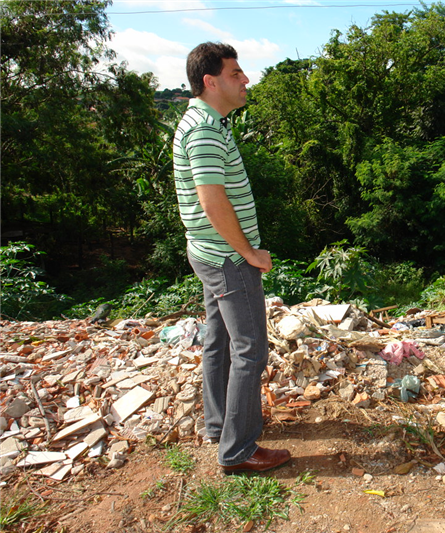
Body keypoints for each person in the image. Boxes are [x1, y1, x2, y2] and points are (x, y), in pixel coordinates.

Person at [173, 42, 291, 474]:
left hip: (208, 251)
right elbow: (212, 200)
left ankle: (219, 425)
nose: (246, 80)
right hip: (226, 257)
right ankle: (238, 450)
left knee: (219, 342)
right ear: (211, 81)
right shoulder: (203, 129)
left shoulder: (207, 122)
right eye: (236, 73)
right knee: (251, 350)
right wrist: (248, 253)